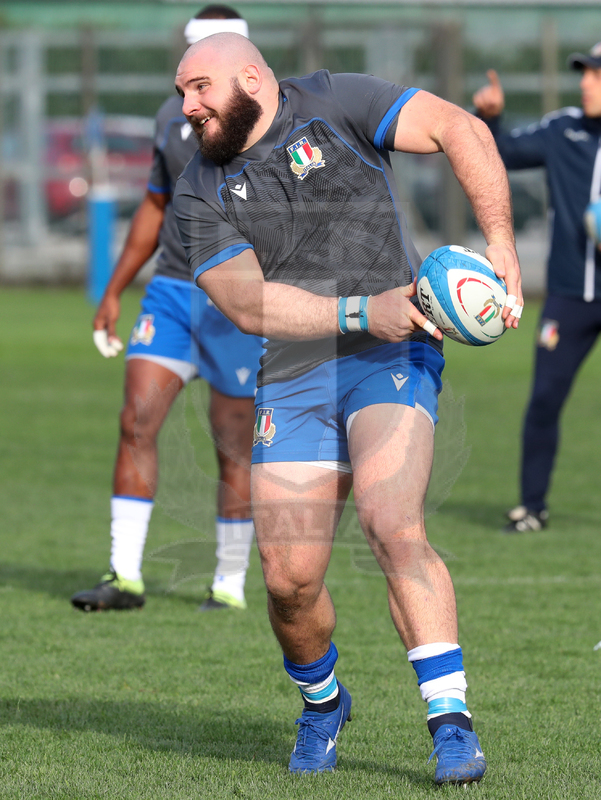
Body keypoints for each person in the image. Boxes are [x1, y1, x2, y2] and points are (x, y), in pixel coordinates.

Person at [173, 33, 522, 784]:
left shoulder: (338, 101)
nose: (188, 106)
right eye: (182, 93)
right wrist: (366, 308)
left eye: (200, 88)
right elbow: (245, 301)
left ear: (253, 79)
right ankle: (323, 702)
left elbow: (461, 126)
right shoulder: (198, 187)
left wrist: (499, 243)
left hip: (391, 359)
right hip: (297, 371)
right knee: (287, 579)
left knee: (392, 521)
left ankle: (450, 724)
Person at [71, 6, 264, 613]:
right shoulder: (170, 118)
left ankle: (229, 582)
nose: (190, 87)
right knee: (136, 421)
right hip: (174, 291)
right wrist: (113, 288)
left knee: (234, 441)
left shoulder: (275, 125)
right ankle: (124, 577)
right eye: (187, 67)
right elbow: (155, 206)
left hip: (239, 299)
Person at [473, 43, 601, 534]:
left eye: (595, 74)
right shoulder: (561, 129)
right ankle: (532, 507)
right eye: (584, 73)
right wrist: (490, 120)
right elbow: (500, 153)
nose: (586, 82)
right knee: (545, 398)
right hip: (568, 296)